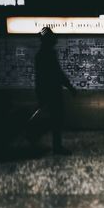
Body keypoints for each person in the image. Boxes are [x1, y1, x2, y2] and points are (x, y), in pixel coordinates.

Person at [34, 27, 76, 155]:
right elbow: (57, 74)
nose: (55, 40)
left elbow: (39, 77)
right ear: (48, 40)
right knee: (57, 119)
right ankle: (55, 146)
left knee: (53, 118)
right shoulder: (49, 54)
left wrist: (40, 94)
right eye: (53, 38)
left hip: (45, 92)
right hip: (53, 92)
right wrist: (70, 86)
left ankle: (36, 135)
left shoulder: (40, 55)